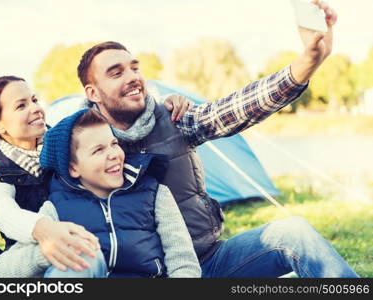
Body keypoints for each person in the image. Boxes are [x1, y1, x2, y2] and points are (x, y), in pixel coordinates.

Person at [75, 2, 358, 277]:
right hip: (148, 275)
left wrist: (308, 62)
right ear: (93, 93)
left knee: (294, 232)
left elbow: (238, 108)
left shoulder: (175, 118)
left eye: (134, 68)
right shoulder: (77, 145)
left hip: (209, 261)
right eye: (116, 73)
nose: (133, 77)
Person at [0, 76, 192, 278]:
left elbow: (103, 124)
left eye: (34, 100)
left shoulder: (63, 144)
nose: (35, 108)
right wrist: (44, 231)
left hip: (87, 247)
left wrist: (162, 107)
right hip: (33, 257)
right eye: (21, 106)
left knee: (81, 257)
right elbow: (5, 214)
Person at [0, 108, 201, 278]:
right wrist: (46, 252)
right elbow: (2, 271)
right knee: (81, 258)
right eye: (98, 150)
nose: (114, 155)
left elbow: (183, 261)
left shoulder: (154, 193)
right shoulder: (56, 208)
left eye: (114, 144)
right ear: (73, 168)